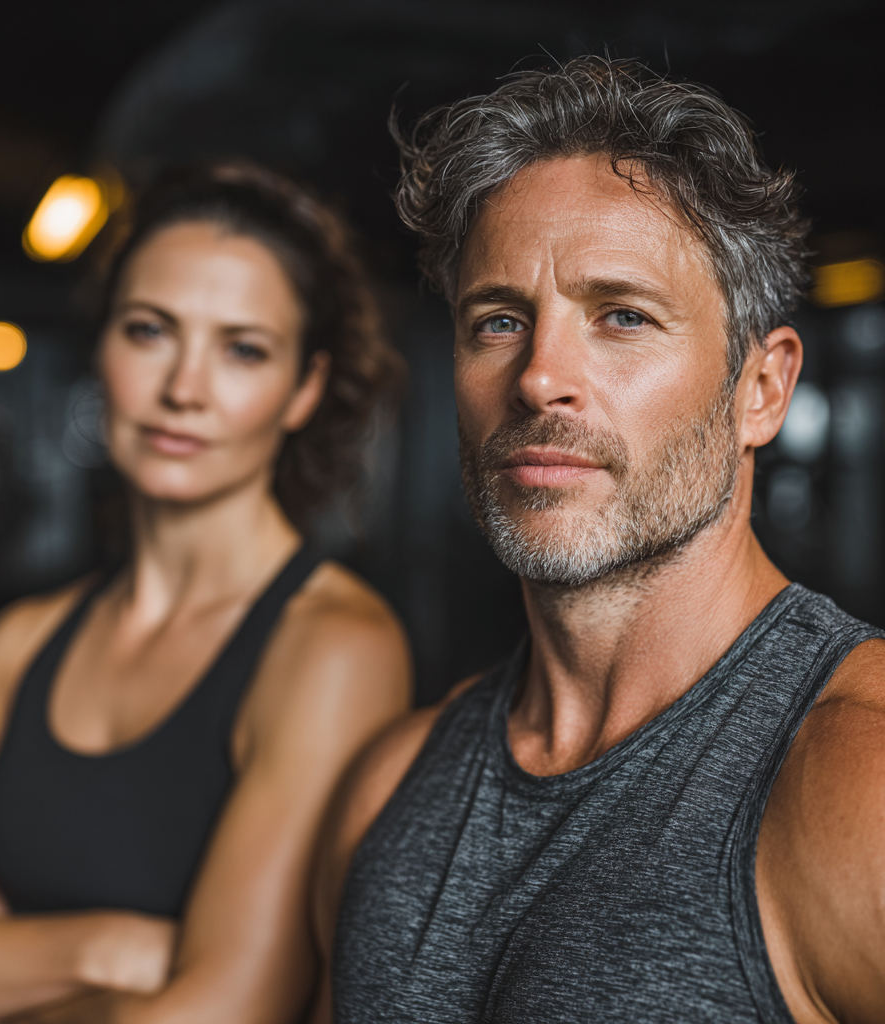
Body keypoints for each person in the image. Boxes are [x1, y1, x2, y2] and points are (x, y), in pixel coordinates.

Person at [311, 58, 885, 1023]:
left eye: (622, 316)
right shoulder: (389, 787)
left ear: (763, 389)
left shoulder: (854, 778)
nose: (539, 378)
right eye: (498, 321)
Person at [0, 162, 411, 1024]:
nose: (183, 390)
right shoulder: (22, 642)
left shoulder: (334, 644)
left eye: (243, 349)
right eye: (150, 331)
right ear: (105, 349)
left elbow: (223, 1012)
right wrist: (117, 951)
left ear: (303, 388)